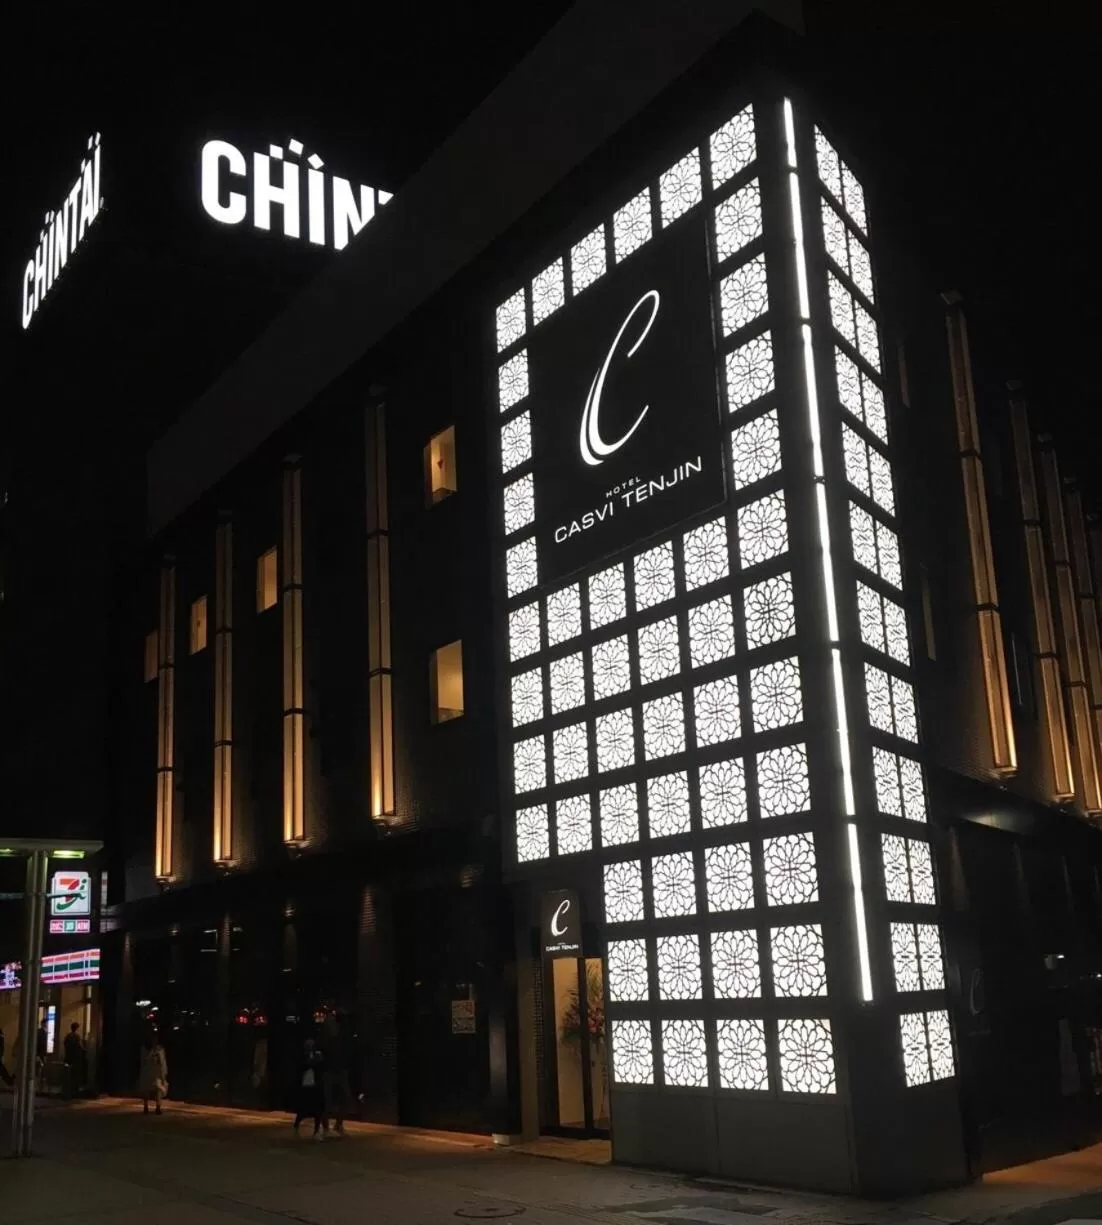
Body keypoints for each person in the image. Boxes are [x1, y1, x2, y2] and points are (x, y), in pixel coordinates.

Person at [320, 1012, 351, 1137]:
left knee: (345, 1097)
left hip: (340, 1070)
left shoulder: (341, 1037)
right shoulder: (324, 1038)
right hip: (328, 1071)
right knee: (326, 1100)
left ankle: (338, 1125)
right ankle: (326, 1128)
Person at [292, 1037, 327, 1140]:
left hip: (316, 1085)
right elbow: (301, 1067)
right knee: (303, 1109)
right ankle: (296, 1126)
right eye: (308, 1045)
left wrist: (316, 1062)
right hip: (305, 1084)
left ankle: (316, 1131)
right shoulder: (302, 1056)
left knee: (318, 1110)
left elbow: (321, 1066)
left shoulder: (318, 1055)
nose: (310, 1047)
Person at [138, 1034, 168, 1115]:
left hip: (149, 1072)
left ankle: (147, 1107)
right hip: (155, 1072)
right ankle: (156, 1107)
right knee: (157, 1089)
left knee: (150, 1090)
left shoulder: (145, 1049)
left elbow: (142, 1062)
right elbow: (162, 1063)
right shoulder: (158, 1050)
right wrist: (163, 1075)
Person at [63, 1023, 85, 1096]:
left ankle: (66, 1088)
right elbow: (79, 1046)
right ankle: (74, 1089)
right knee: (75, 1074)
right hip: (75, 1058)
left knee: (67, 1073)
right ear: (76, 1028)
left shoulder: (68, 1036)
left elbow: (65, 1044)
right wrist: (84, 1050)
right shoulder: (77, 1036)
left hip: (67, 1058)